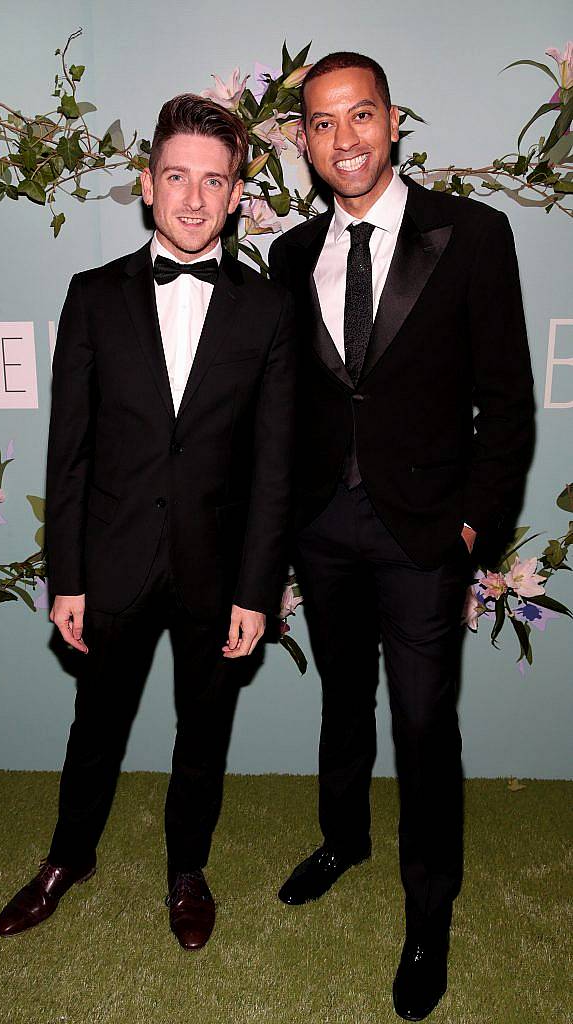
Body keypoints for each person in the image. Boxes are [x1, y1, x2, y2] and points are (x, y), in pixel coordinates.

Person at [0, 94, 296, 951]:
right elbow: (70, 451)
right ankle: (67, 857)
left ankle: (186, 869)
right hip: (114, 562)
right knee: (96, 726)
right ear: (146, 183)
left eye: (214, 181)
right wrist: (69, 576)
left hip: (216, 569)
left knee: (203, 733)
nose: (194, 199)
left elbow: (273, 469)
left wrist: (256, 589)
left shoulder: (266, 309)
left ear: (237, 193)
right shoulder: (92, 296)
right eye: (176, 177)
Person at [269, 52, 534, 1020]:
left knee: (423, 726)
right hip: (322, 529)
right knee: (343, 702)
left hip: (425, 531)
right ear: (302, 141)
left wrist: (473, 524)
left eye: (361, 116)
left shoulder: (470, 233)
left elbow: (505, 402)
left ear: (391, 122)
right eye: (323, 123)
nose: (344, 139)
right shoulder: (289, 255)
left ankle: (428, 914)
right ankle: (344, 838)